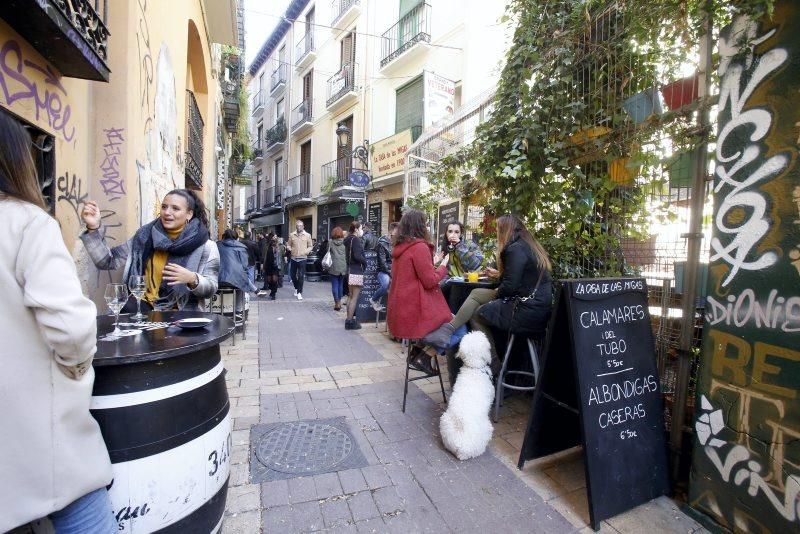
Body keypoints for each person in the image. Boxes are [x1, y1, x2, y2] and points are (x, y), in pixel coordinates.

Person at [0, 112, 115, 532]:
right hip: (34, 436)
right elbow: (73, 326)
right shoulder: (25, 221)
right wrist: (77, 367)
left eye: (176, 207)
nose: (167, 212)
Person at [424, 215, 553, 373]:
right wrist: (498, 275)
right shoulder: (527, 245)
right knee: (477, 294)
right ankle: (450, 331)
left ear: (506, 230)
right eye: (450, 231)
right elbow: (522, 278)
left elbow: (509, 287)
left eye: (498, 229)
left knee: (476, 313)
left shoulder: (514, 249)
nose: (497, 233)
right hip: (537, 306)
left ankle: (493, 363)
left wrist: (499, 289)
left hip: (526, 308)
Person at [81, 189, 219, 312]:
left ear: (189, 214)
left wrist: (192, 279)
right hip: (142, 313)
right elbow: (107, 261)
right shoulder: (144, 237)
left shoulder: (206, 247)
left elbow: (211, 289)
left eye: (175, 208)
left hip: (181, 319)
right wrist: (93, 228)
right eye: (164, 207)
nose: (167, 212)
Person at [386, 209, 451, 374]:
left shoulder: (401, 247)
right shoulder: (419, 247)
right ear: (420, 226)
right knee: (457, 326)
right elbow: (429, 281)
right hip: (417, 312)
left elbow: (414, 276)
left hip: (402, 311)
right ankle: (425, 355)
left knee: (451, 323)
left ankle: (418, 351)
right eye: (425, 223)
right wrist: (443, 267)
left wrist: (433, 264)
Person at [217, 229, 258, 310]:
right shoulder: (241, 247)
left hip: (218, 279)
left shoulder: (217, 245)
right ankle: (238, 310)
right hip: (234, 281)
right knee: (241, 283)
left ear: (224, 236)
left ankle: (217, 309)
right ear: (236, 237)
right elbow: (244, 265)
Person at [370, 221, 399, 311]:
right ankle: (373, 299)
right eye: (398, 231)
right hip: (383, 271)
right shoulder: (382, 244)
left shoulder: (397, 242)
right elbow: (382, 264)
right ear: (392, 232)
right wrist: (391, 273)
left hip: (395, 270)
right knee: (385, 284)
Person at [343, 221, 367, 330]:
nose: (362, 230)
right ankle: (349, 322)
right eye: (361, 228)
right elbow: (358, 256)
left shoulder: (347, 240)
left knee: (350, 296)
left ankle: (348, 320)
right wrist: (365, 261)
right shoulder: (356, 240)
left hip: (349, 270)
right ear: (356, 229)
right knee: (354, 298)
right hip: (356, 270)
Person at [286, 219, 312, 300]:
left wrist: (306, 252)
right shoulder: (292, 235)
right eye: (298, 225)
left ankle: (299, 292)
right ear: (296, 226)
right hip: (294, 258)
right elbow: (288, 245)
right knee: (292, 275)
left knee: (301, 276)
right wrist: (290, 249)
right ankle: (296, 288)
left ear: (303, 226)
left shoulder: (307, 235)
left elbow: (310, 246)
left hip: (303, 258)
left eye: (301, 225)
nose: (299, 227)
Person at [327, 226, 348, 310]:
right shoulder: (345, 242)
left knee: (334, 285)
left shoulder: (330, 242)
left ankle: (337, 303)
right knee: (340, 285)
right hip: (343, 266)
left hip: (334, 266)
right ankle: (339, 301)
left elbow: (327, 252)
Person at [262, 233, 281, 300]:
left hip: (275, 265)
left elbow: (279, 257)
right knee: (269, 280)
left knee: (274, 279)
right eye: (273, 237)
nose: (275, 238)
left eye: (275, 237)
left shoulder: (277, 246)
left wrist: (279, 266)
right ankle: (272, 291)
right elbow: (265, 257)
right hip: (268, 265)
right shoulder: (267, 246)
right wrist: (263, 266)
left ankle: (273, 293)